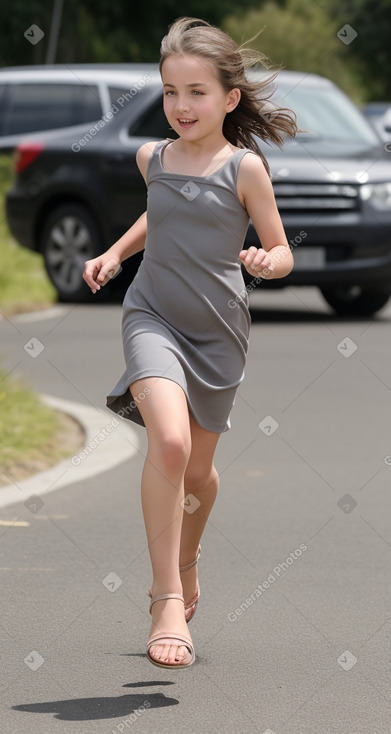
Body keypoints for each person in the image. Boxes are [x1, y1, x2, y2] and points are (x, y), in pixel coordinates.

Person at [83, 16, 297, 669]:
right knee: (169, 443)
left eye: (197, 92)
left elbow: (282, 248)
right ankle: (164, 598)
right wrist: (116, 253)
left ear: (229, 98)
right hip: (150, 314)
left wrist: (267, 262)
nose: (181, 105)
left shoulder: (244, 167)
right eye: (171, 91)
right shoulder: (153, 157)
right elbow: (162, 213)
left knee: (198, 473)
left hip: (218, 333)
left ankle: (187, 559)